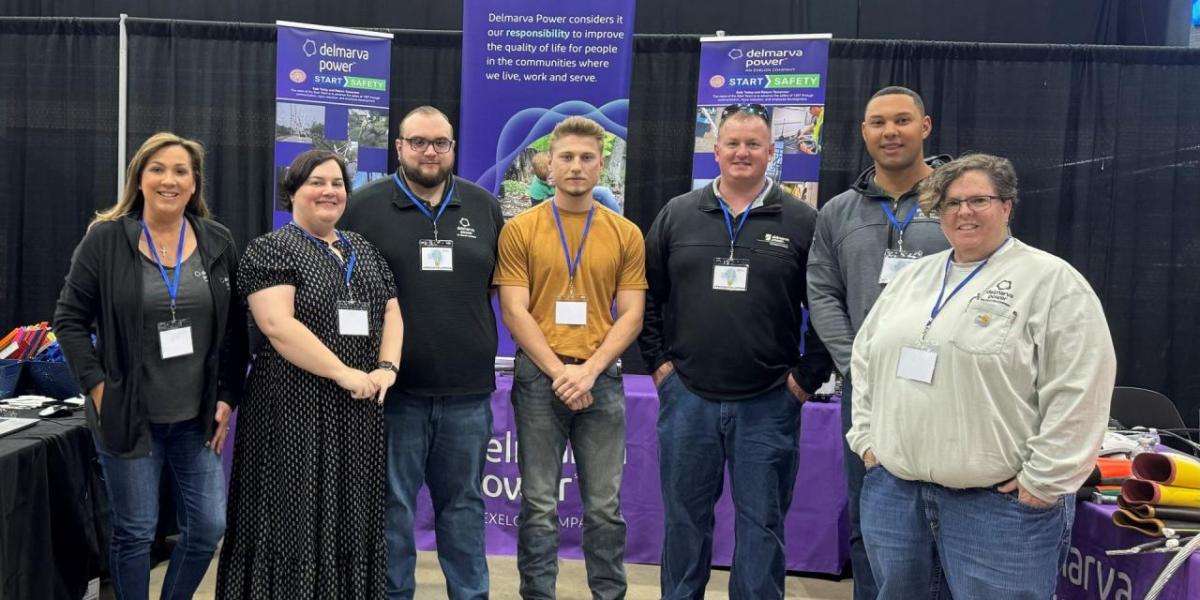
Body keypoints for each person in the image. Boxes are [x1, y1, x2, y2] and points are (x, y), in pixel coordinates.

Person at [847, 153, 1116, 599]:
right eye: (952, 203)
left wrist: (1043, 481)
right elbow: (866, 360)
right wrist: (866, 439)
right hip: (898, 498)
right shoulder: (913, 279)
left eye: (979, 200)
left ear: (1007, 206)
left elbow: (1081, 386)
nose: (963, 212)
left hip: (997, 509)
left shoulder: (1051, 282)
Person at [639, 103, 833, 599]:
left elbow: (828, 306)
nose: (742, 152)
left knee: (762, 525)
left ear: (772, 152)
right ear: (716, 149)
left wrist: (803, 380)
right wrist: (661, 367)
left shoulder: (803, 221)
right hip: (688, 399)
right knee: (684, 521)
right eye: (732, 143)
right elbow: (648, 297)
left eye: (753, 144)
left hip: (769, 401)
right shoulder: (678, 214)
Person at [54, 131, 247, 600]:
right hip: (128, 416)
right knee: (135, 532)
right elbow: (69, 320)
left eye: (181, 170)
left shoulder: (216, 241)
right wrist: (101, 390)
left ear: (195, 182)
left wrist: (226, 396)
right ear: (138, 178)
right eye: (157, 169)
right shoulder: (105, 240)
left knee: (207, 529)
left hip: (195, 419)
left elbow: (236, 330)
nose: (169, 179)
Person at [216, 149, 403, 599]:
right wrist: (343, 372)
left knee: (351, 512)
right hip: (290, 405)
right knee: (291, 513)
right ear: (293, 191)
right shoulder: (270, 249)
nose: (329, 191)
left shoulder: (363, 249)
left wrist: (386, 367)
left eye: (337, 183)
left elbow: (393, 311)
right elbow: (278, 326)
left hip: (357, 408)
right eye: (316, 182)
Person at [340, 106, 504, 600]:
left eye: (441, 143)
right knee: (393, 508)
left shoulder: (482, 205)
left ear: (453, 147)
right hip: (394, 392)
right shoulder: (362, 208)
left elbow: (497, 288)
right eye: (419, 142)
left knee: (464, 507)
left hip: (468, 392)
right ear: (399, 147)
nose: (430, 152)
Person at [805, 85, 950, 600]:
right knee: (872, 519)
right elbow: (822, 293)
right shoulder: (839, 212)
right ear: (864, 133)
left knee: (947, 521)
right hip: (866, 393)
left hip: (947, 390)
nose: (890, 132)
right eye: (878, 123)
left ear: (925, 127)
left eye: (902, 121)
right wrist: (856, 364)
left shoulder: (958, 201)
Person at [494, 115, 647, 600]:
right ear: (549, 165)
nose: (576, 167)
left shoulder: (626, 234)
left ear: (601, 166)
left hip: (600, 378)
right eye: (566, 158)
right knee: (538, 504)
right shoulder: (520, 230)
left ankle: (609, 595)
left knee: (604, 506)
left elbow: (632, 316)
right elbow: (514, 311)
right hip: (541, 377)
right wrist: (562, 372)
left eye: (586, 158)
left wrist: (589, 372)